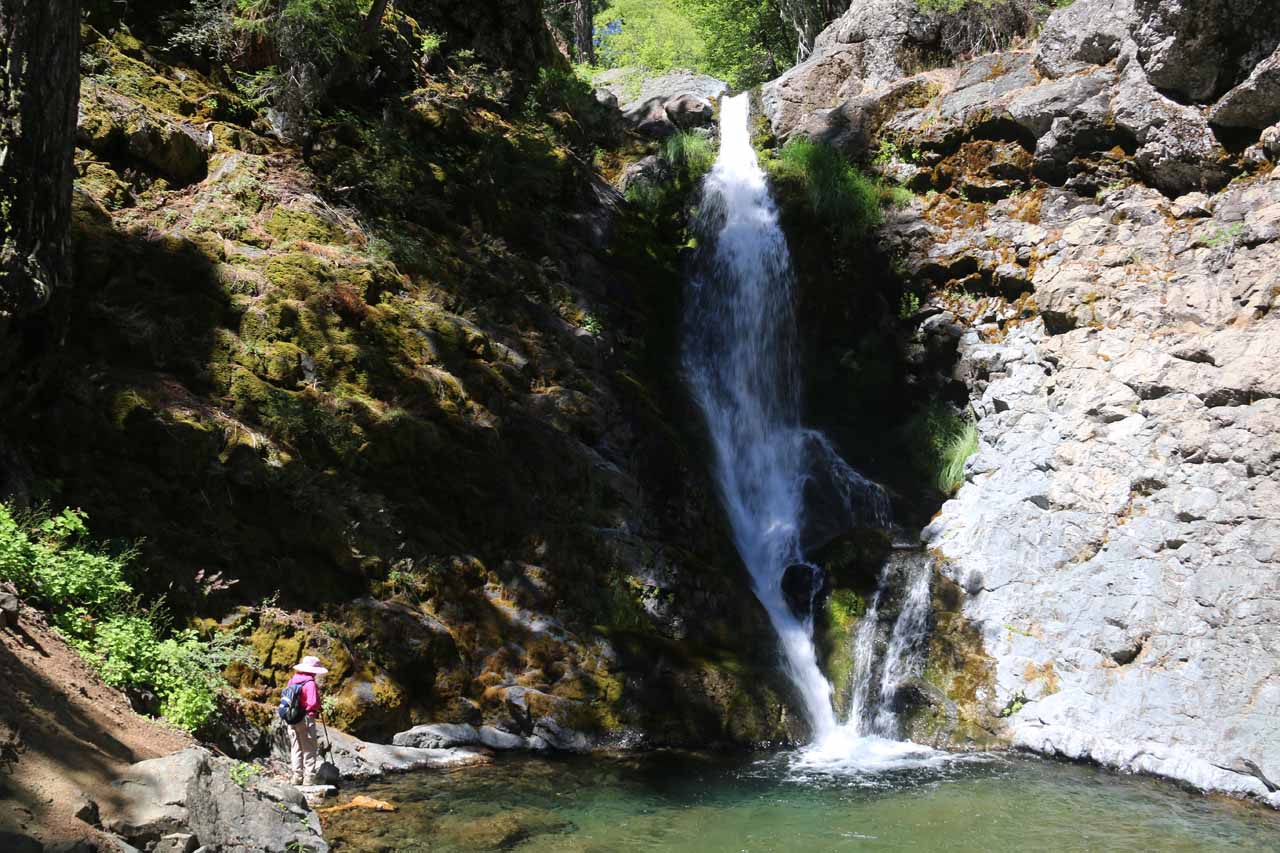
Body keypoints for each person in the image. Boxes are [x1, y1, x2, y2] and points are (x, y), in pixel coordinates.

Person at [285, 655, 328, 786]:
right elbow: (313, 703)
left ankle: (296, 777)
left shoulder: (292, 681)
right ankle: (309, 778)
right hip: (305, 718)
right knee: (309, 747)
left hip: (291, 718)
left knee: (296, 747)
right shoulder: (310, 683)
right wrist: (317, 708)